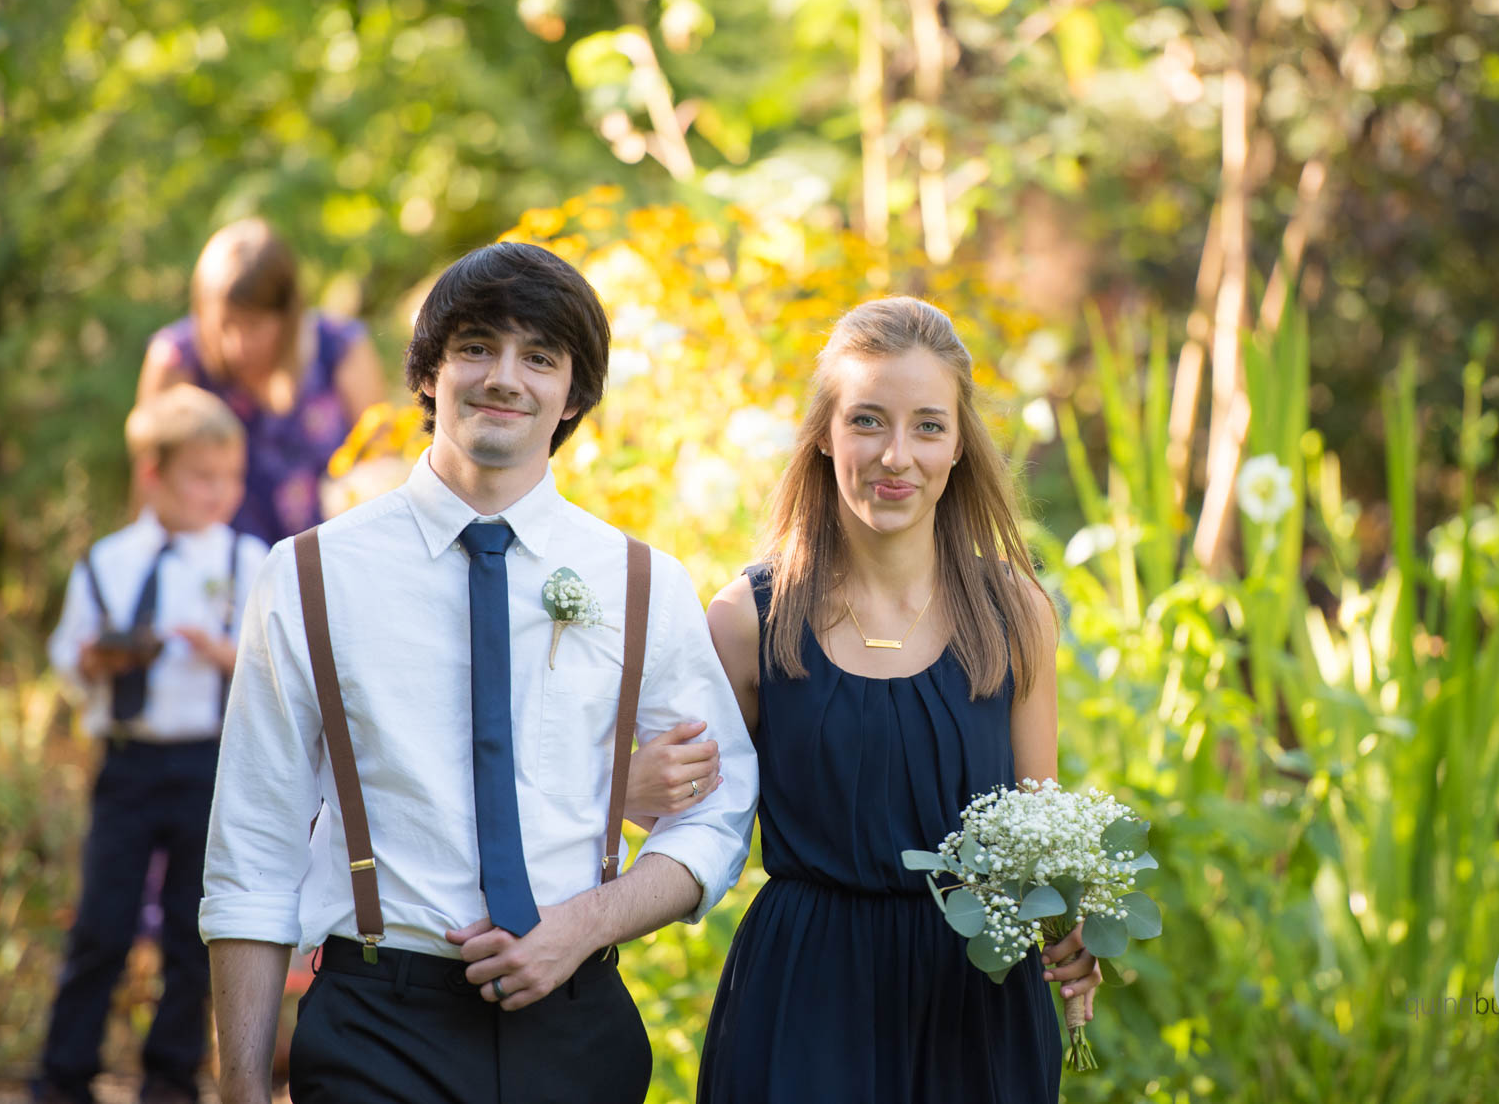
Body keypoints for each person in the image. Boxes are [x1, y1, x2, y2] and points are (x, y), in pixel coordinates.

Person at [199, 241, 758, 1104]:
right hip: (376, 1026)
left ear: (573, 394)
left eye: (539, 357)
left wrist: (579, 927)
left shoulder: (638, 580)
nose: (504, 376)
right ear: (429, 372)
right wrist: (239, 1088)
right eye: (475, 348)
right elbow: (254, 846)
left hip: (576, 1027)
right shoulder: (311, 574)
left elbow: (719, 809)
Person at [696, 297, 1100, 1104]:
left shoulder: (1012, 612)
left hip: (976, 998)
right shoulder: (748, 620)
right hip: (803, 993)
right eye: (867, 421)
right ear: (824, 435)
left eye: (926, 426)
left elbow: (1038, 819)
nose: (895, 456)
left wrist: (1071, 921)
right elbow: (686, 816)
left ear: (958, 445)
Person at [36, 385, 269, 1104]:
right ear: (152, 475)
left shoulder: (247, 557)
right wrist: (95, 661)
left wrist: (223, 653)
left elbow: (273, 664)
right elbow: (66, 657)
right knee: (101, 926)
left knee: (189, 927)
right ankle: (63, 1076)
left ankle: (171, 1076)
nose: (220, 493)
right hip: (129, 765)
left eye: (231, 477)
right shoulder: (108, 562)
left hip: (210, 763)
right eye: (202, 476)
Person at [137, 218, 386, 547]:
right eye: (225, 325)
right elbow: (148, 487)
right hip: (217, 577)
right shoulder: (176, 360)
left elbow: (382, 469)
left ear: (287, 315)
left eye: (254, 325)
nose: (236, 344)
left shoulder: (340, 348)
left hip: (329, 565)